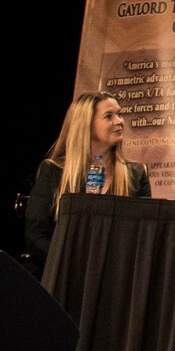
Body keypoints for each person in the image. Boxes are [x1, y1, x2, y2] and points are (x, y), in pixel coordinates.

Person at [25, 91, 151, 263]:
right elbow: (36, 236)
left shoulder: (136, 173)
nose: (119, 121)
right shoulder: (53, 171)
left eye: (119, 114)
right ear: (86, 125)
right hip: (62, 274)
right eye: (109, 116)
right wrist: (69, 263)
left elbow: (144, 234)